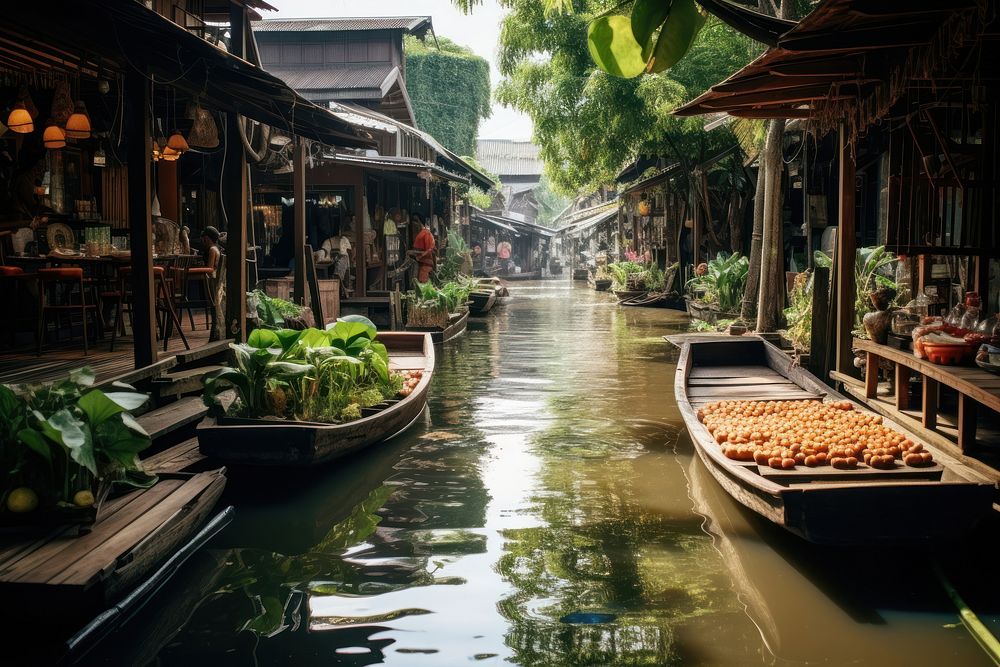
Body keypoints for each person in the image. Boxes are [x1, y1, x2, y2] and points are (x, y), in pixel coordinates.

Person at [409, 215, 436, 283]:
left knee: (423, 284)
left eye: (415, 222)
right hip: (420, 263)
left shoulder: (426, 233)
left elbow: (430, 249)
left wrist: (421, 255)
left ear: (420, 222)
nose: (413, 225)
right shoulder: (421, 233)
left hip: (426, 264)